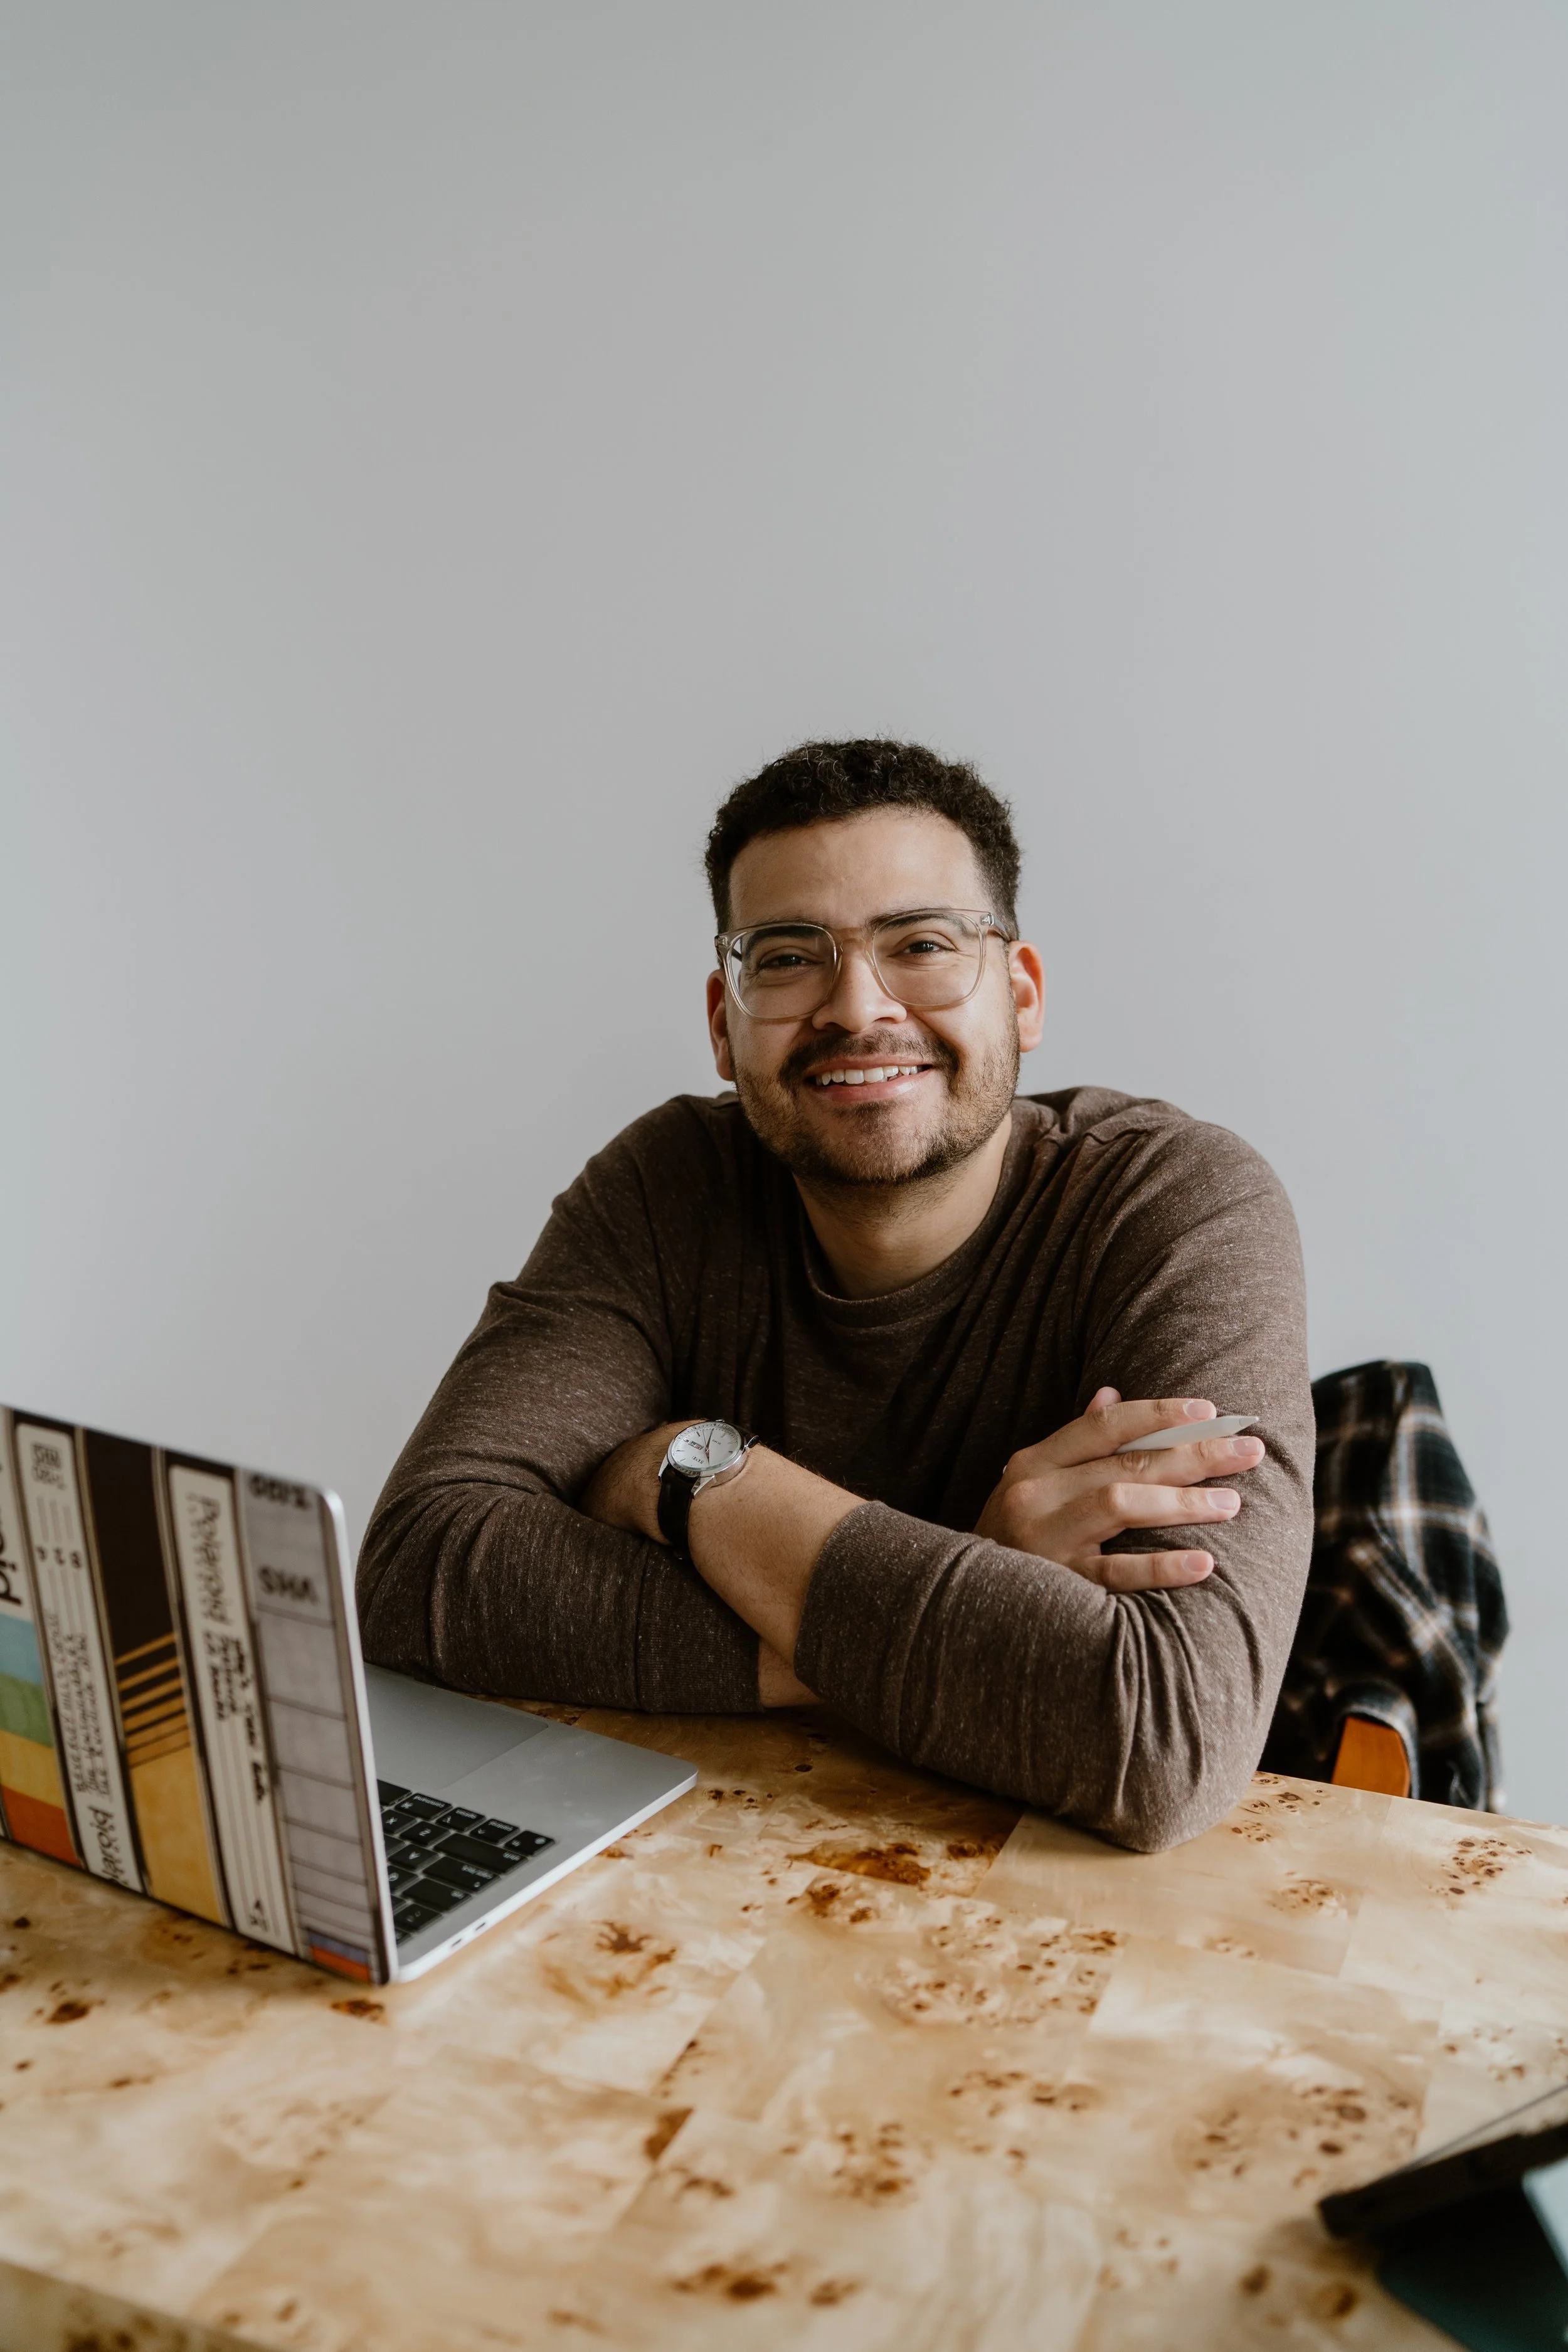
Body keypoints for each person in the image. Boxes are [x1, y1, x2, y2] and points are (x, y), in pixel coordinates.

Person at [358, 739, 1313, 1850]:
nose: (859, 1008)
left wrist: (696, 1475)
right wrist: (969, 1586)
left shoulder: (1180, 1205)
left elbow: (1159, 1740)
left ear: (1021, 993)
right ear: (726, 1019)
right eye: (789, 956)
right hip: (723, 1888)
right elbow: (420, 1572)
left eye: (921, 944)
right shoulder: (664, 1190)